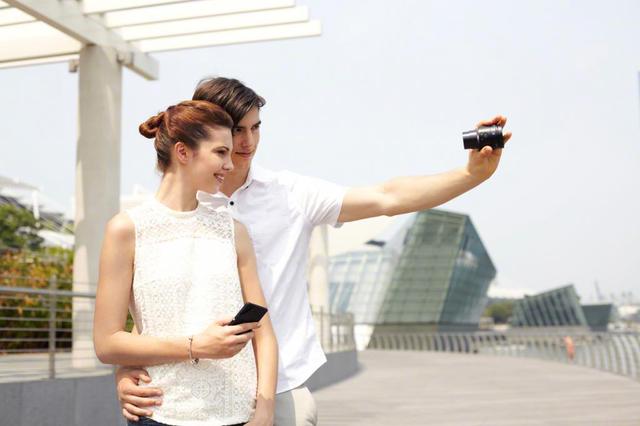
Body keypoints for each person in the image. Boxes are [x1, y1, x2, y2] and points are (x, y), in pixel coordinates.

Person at [115, 77, 513, 426]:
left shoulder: (291, 195)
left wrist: (470, 174)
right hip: (187, 396)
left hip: (280, 390)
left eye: (256, 127)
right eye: (237, 130)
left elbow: (387, 197)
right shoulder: (171, 211)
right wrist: (126, 370)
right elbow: (154, 302)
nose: (248, 142)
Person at [93, 100, 278, 426]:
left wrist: (264, 410)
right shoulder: (126, 230)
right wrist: (195, 346)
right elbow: (107, 342)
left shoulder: (233, 231)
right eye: (220, 152)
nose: (229, 164)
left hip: (238, 414)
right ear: (183, 152)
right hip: (162, 413)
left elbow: (262, 332)